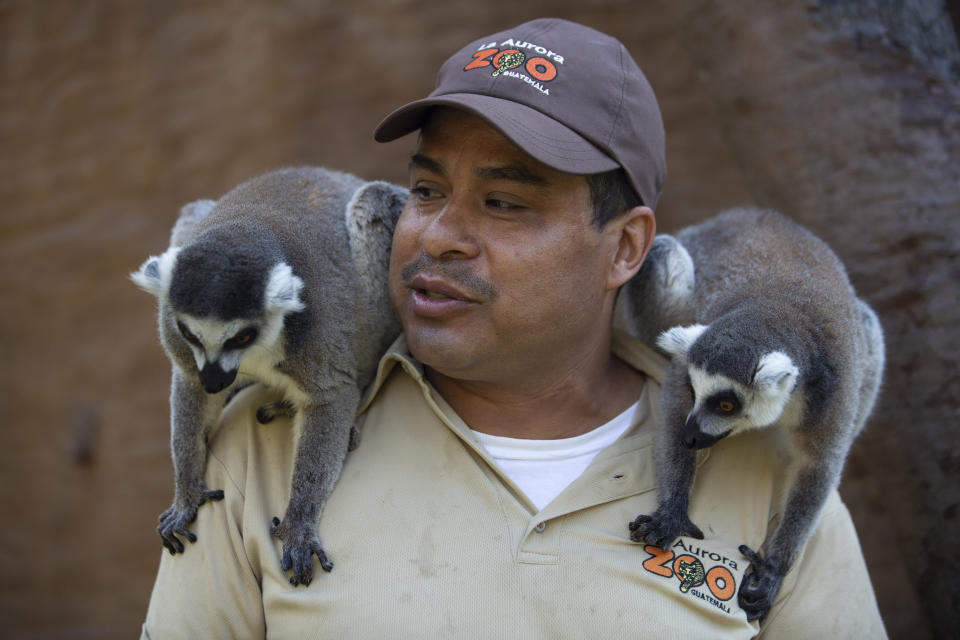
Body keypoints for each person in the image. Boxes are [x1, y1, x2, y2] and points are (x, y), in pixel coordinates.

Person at [141, 18, 886, 638]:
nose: (436, 235)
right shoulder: (261, 447)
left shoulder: (760, 469)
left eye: (504, 203)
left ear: (626, 248)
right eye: (426, 189)